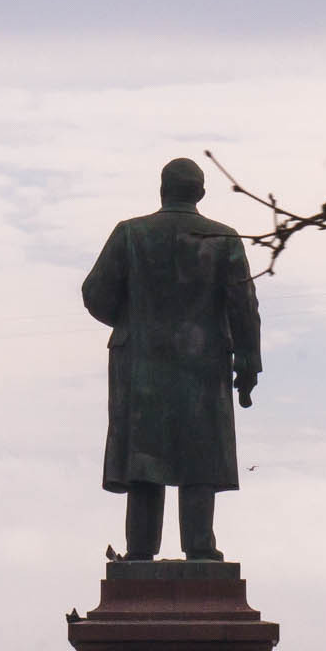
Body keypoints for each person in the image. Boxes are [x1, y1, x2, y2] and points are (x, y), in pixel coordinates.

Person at [82, 156, 262, 561]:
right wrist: (248, 361)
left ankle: (140, 550)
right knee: (200, 452)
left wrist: (134, 320)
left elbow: (95, 293)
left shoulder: (130, 234)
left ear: (162, 190)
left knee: (146, 456)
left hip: (141, 363)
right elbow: (243, 307)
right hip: (203, 364)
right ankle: (199, 545)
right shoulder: (223, 240)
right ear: (200, 193)